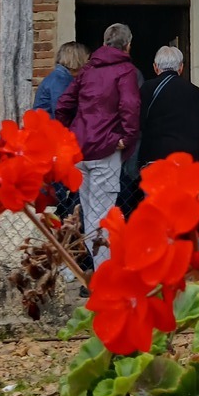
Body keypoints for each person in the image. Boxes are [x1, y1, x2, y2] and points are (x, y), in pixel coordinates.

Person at [55, 23, 141, 268]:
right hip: (106, 149)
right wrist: (126, 138)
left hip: (82, 150)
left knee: (90, 212)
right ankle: (103, 272)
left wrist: (71, 133)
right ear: (128, 45)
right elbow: (130, 106)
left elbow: (63, 105)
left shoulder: (87, 70)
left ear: (104, 43)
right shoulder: (125, 70)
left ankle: (95, 270)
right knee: (102, 215)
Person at [32, 41, 90, 220]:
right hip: (52, 144)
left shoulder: (58, 77)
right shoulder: (61, 80)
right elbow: (63, 112)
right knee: (62, 189)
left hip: (48, 142)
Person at [138, 45, 199, 167]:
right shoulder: (195, 91)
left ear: (155, 67)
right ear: (181, 67)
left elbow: (138, 122)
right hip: (189, 159)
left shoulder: (147, 88)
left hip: (156, 157)